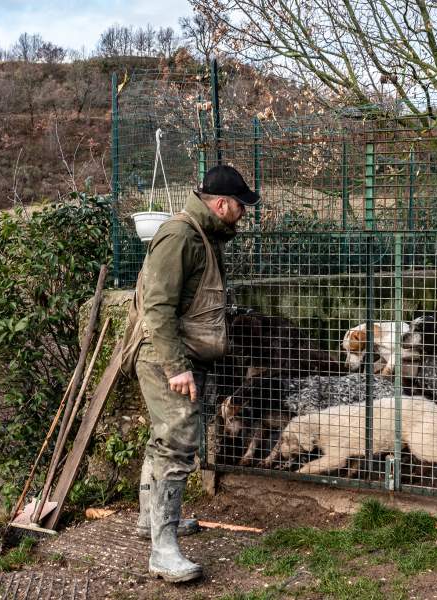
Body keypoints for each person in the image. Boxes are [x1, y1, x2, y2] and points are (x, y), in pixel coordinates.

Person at [120, 165, 259, 582]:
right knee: (178, 445)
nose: (242, 213)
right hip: (166, 358)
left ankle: (151, 521)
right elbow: (157, 308)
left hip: (179, 355)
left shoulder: (203, 237)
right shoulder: (179, 236)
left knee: (163, 439)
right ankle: (163, 551)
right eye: (240, 206)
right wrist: (177, 367)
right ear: (221, 204)